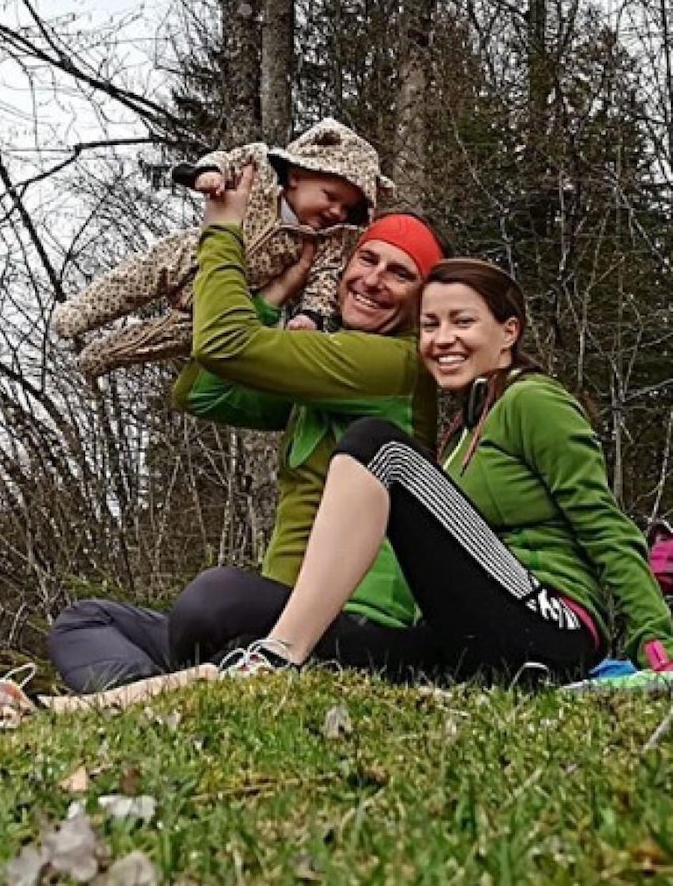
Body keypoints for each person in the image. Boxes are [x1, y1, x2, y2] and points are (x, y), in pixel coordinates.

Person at [48, 179, 451, 690]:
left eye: (400, 274)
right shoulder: (334, 369)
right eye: (367, 260)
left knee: (214, 600)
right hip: (275, 614)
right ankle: (148, 690)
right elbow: (202, 392)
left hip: (360, 622)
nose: (373, 281)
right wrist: (276, 295)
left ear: (421, 303)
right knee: (86, 619)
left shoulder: (397, 365)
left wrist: (223, 234)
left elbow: (224, 343)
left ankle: (188, 680)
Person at [219, 258, 673, 681]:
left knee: (375, 443)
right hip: (470, 638)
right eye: (430, 325)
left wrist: (656, 644)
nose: (442, 339)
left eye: (463, 321)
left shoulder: (533, 401)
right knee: (286, 640)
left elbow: (604, 524)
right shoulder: (461, 430)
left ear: (509, 332)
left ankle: (280, 653)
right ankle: (185, 680)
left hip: (552, 626)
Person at [51, 119, 394, 377]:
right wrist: (210, 173)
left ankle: (97, 359)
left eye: (347, 209)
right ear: (297, 175)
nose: (336, 212)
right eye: (331, 198)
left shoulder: (324, 242)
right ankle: (76, 316)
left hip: (229, 294)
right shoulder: (260, 170)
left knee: (164, 339)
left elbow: (324, 280)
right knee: (135, 277)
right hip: (192, 254)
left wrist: (311, 315)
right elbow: (228, 159)